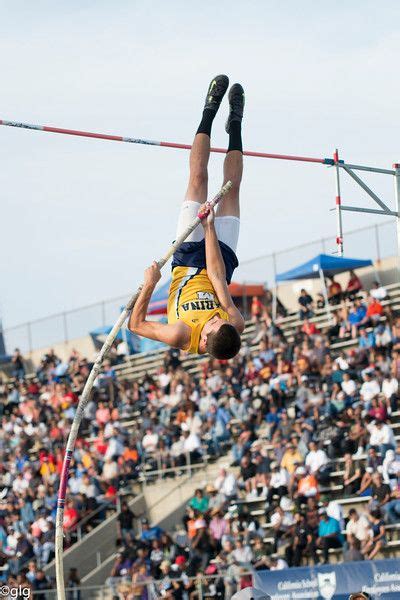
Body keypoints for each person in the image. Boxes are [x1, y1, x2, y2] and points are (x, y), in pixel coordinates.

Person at [128, 75, 245, 358]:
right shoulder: (233, 325)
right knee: (231, 192)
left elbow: (136, 325)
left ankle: (208, 110)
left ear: (204, 342)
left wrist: (151, 284)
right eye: (222, 319)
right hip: (220, 264)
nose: (218, 318)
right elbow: (217, 279)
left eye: (214, 322)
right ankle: (235, 125)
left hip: (186, 259)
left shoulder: (180, 334)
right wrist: (210, 227)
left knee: (198, 179)